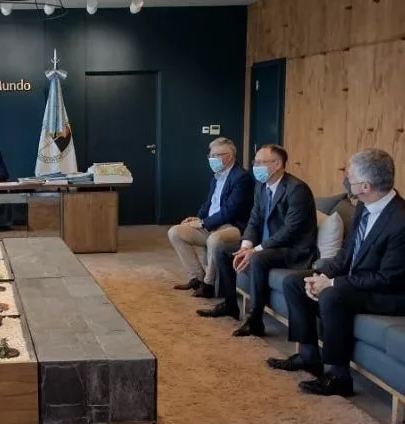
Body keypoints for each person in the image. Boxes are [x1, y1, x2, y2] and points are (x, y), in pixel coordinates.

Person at [268, 149, 405, 396]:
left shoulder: (400, 221)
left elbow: (388, 279)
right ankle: (308, 356)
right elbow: (347, 252)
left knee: (332, 295)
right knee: (294, 282)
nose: (346, 181)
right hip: (359, 282)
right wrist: (323, 275)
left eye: (349, 176)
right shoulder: (364, 205)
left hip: (389, 294)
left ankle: (339, 377)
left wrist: (332, 284)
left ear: (365, 186)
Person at [197, 144, 318, 337]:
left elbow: (290, 231)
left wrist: (256, 250)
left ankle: (255, 320)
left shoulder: (297, 189)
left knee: (257, 258)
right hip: (268, 244)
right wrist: (246, 245)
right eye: (255, 162)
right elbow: (255, 219)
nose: (255, 166)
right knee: (223, 249)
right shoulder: (262, 186)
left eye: (261, 162)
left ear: (277, 164)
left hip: (293, 250)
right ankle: (230, 304)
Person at [168, 137, 254, 298]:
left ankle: (208, 285)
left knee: (215, 240)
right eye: (210, 155)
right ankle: (197, 278)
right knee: (175, 232)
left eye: (215, 155)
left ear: (229, 156)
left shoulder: (241, 177)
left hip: (232, 226)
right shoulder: (217, 176)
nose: (211, 159)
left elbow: (231, 211)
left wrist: (203, 223)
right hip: (211, 223)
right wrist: (197, 218)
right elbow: (209, 203)